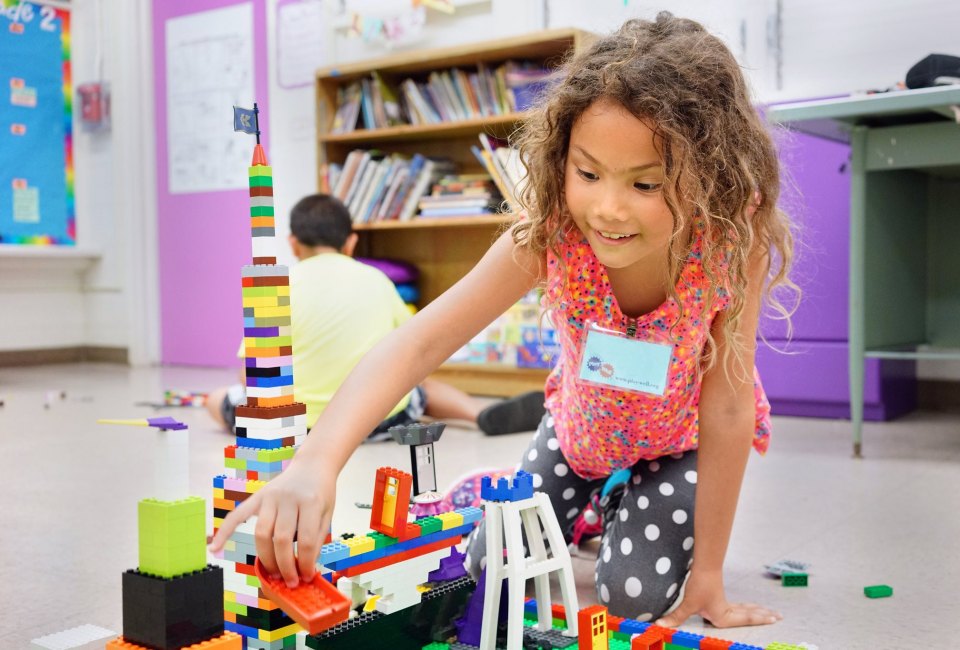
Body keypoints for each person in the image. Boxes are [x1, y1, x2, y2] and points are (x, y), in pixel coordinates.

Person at [211, 13, 797, 628]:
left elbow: (729, 403)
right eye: (588, 173)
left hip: (678, 447)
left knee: (632, 596)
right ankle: (577, 499)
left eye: (646, 183)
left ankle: (620, 500)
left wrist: (709, 578)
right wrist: (314, 464)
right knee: (489, 567)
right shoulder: (546, 238)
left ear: (712, 177)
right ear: (561, 158)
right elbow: (416, 344)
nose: (608, 208)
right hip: (578, 434)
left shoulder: (733, 242)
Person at [205, 193, 543, 439]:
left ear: (293, 244)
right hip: (376, 419)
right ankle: (478, 413)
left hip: (295, 428)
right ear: (351, 242)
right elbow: (410, 354)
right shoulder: (377, 279)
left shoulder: (276, 287)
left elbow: (250, 376)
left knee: (217, 398)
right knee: (421, 388)